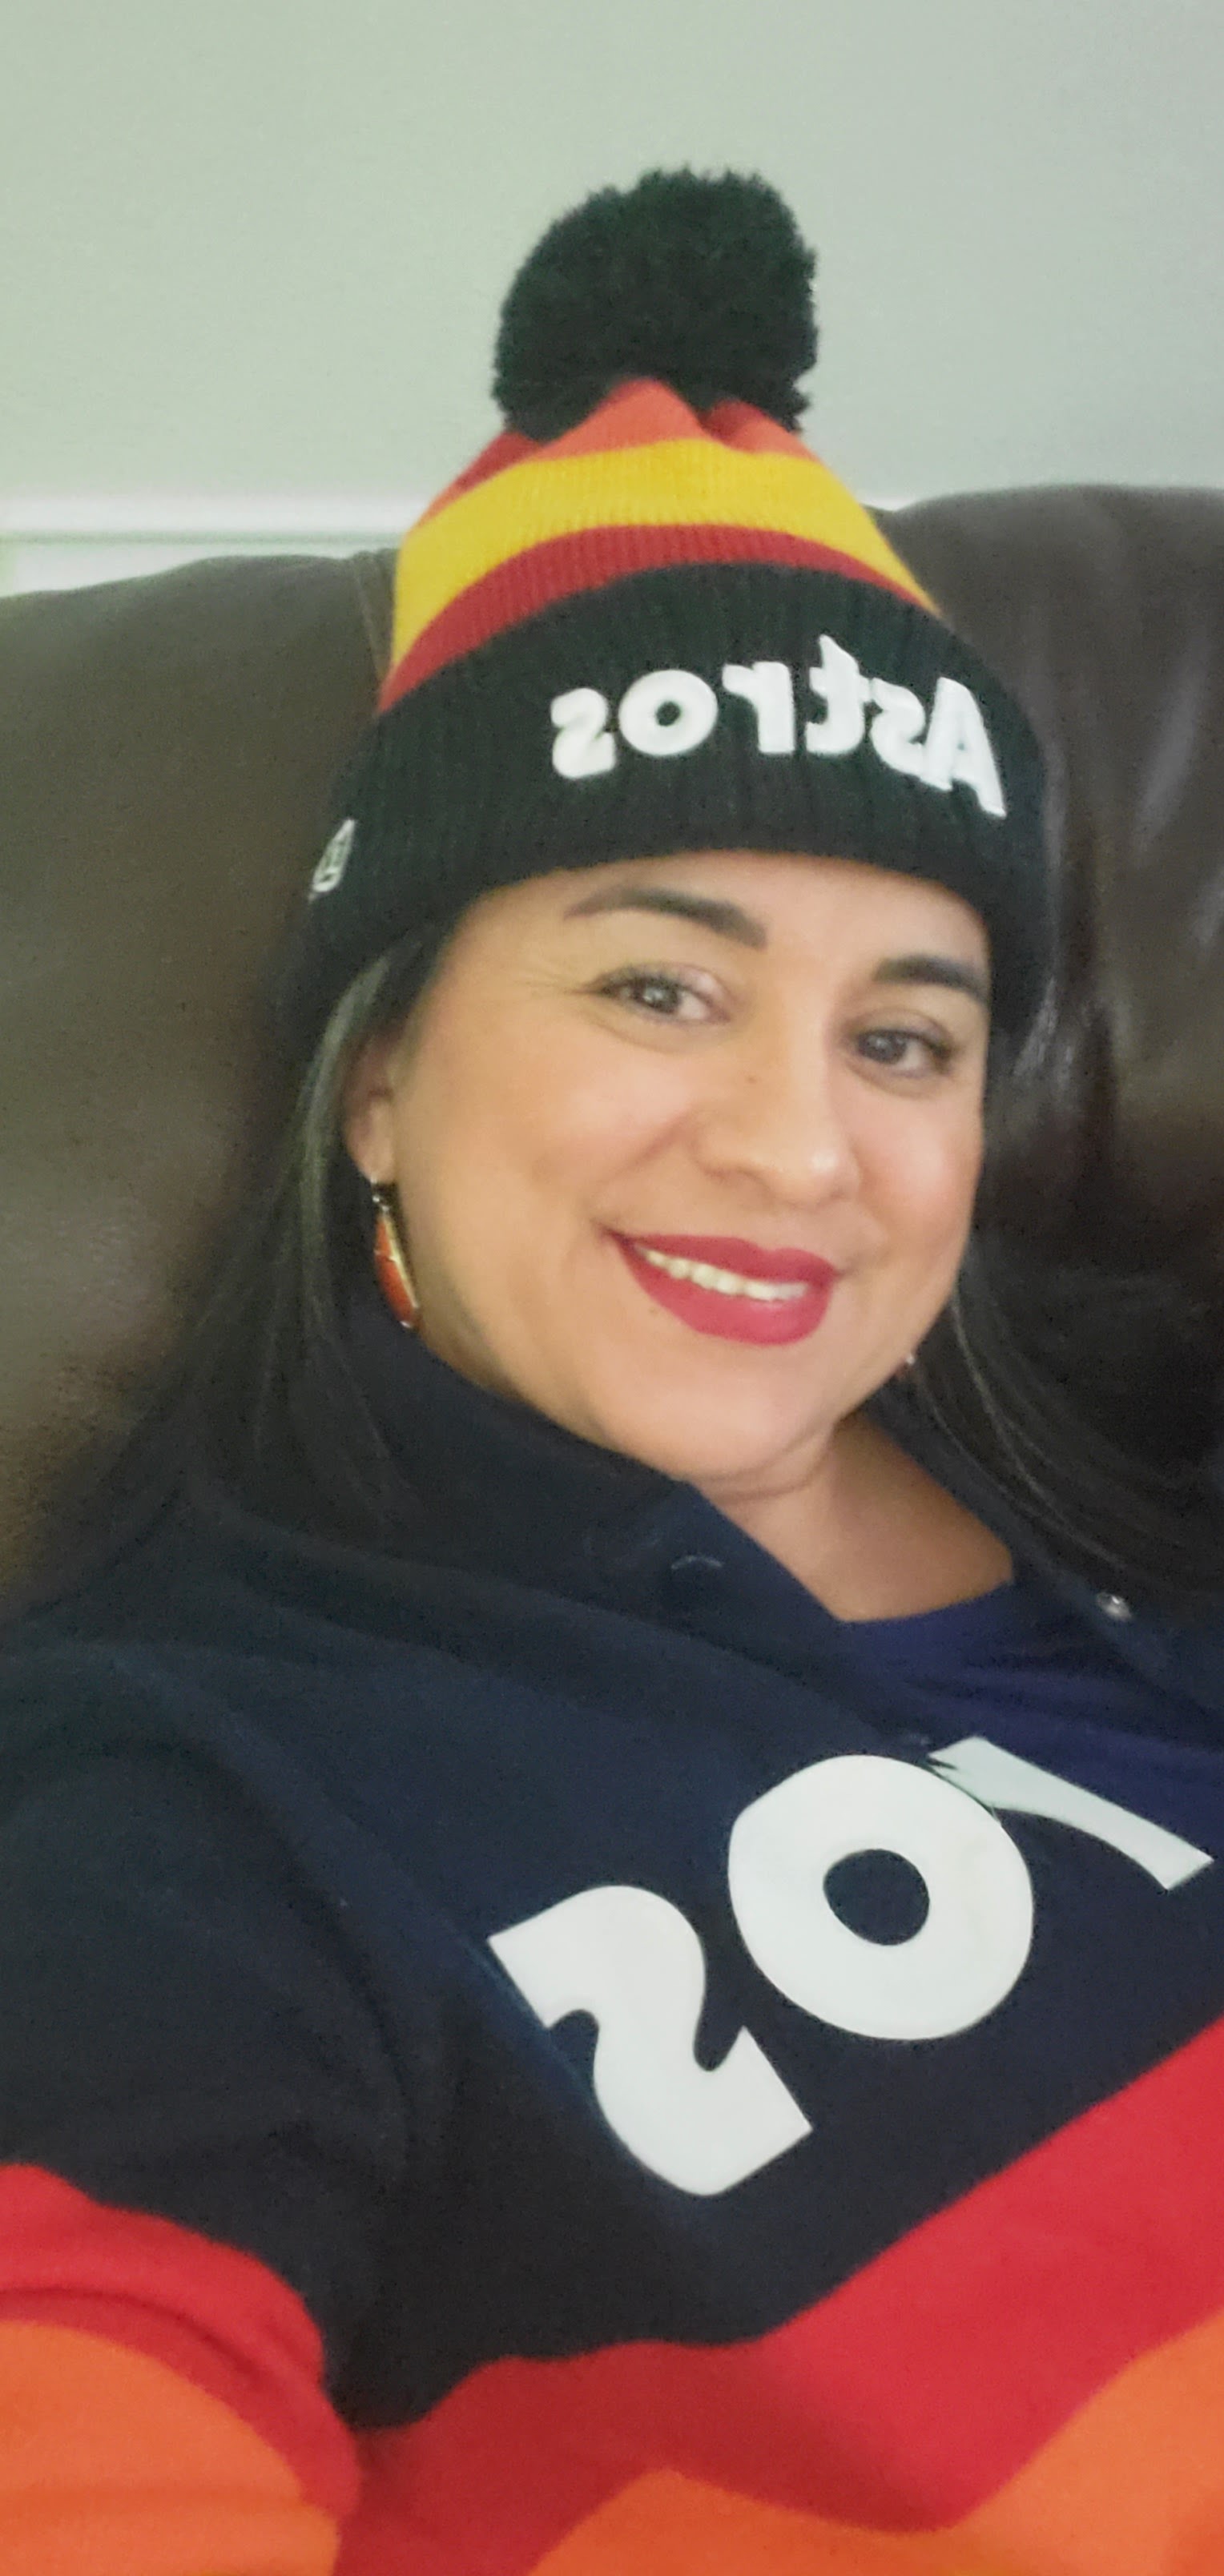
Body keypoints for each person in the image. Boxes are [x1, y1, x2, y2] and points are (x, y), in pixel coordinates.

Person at [2, 168, 1223, 2576]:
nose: (803, 1147)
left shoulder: (1146, 1451)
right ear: (377, 1077)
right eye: (661, 985)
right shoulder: (191, 1812)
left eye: (906, 1036)